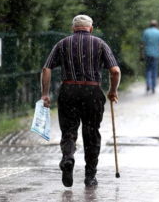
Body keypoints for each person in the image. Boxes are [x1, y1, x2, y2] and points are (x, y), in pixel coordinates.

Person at [41, 15, 121, 188]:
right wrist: (113, 90)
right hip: (92, 92)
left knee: (69, 130)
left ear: (73, 29)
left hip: (68, 90)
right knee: (91, 133)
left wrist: (45, 94)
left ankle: (68, 158)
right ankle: (90, 177)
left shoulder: (62, 44)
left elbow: (46, 68)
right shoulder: (100, 44)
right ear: (90, 29)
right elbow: (115, 71)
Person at [141, 20, 159, 93]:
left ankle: (148, 84)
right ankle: (153, 87)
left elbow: (142, 44)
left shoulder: (146, 32)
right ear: (156, 25)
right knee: (154, 70)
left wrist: (141, 54)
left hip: (148, 54)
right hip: (156, 55)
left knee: (148, 70)